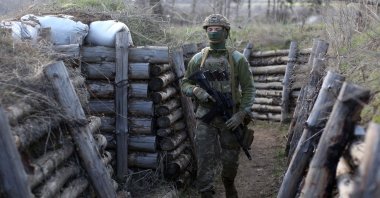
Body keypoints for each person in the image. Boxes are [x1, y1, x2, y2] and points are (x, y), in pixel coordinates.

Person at [180, 14, 255, 198]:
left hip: (230, 118)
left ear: (226, 32)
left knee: (230, 160)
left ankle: (229, 185)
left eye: (217, 29)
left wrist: (241, 114)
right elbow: (185, 83)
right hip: (205, 117)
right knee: (205, 158)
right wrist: (196, 91)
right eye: (210, 29)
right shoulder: (198, 59)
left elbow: (249, 89)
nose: (213, 32)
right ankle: (206, 192)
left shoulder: (237, 59)